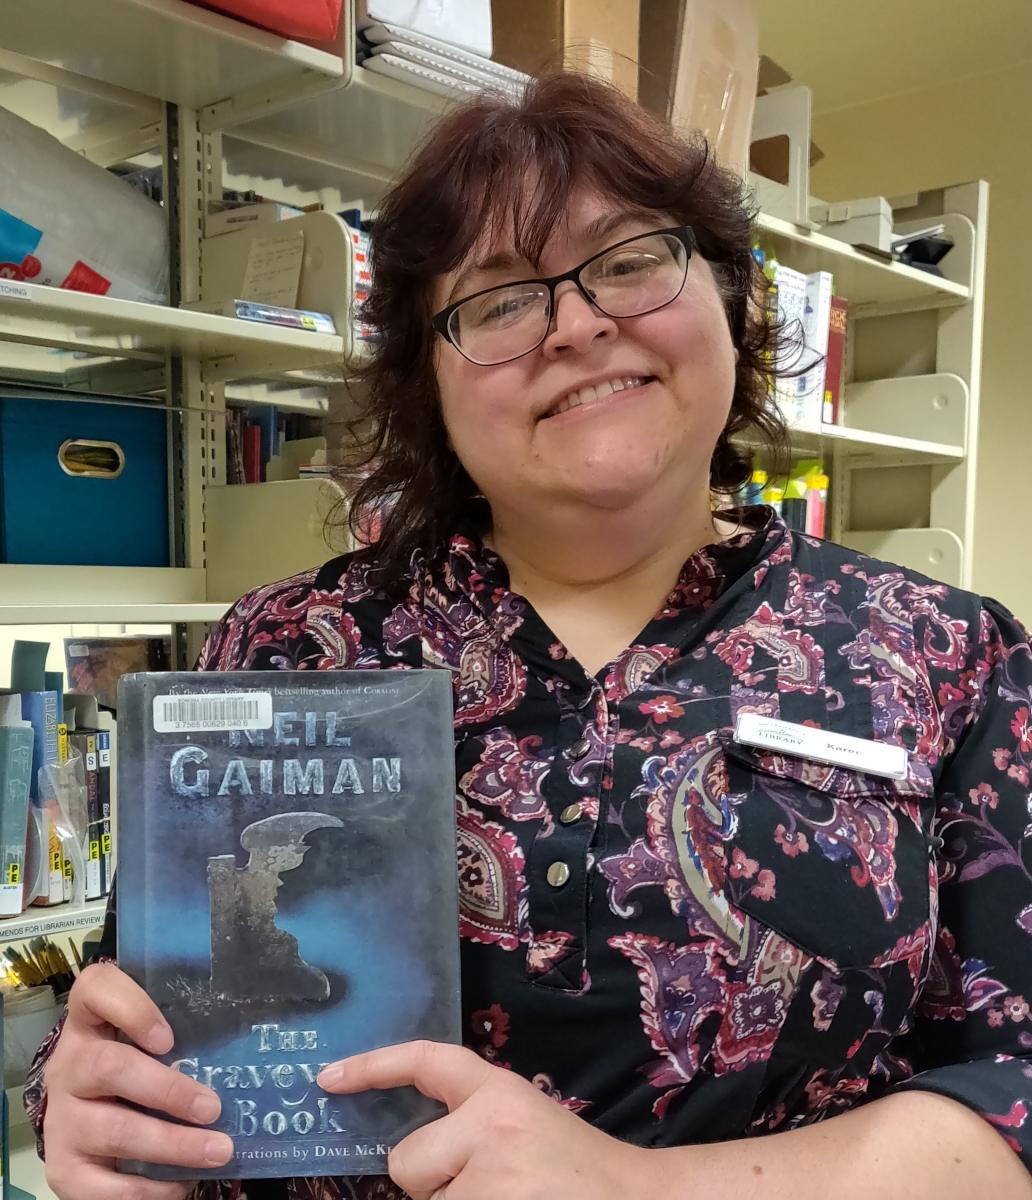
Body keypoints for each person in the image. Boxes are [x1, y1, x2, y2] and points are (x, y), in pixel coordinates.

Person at [26, 72, 1032, 1200]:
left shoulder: (943, 651)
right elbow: (137, 1018)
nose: (577, 323)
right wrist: (92, 1097)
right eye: (499, 300)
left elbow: (1016, 1090)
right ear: (429, 386)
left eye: (631, 258)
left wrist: (631, 1190)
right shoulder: (288, 643)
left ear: (734, 300)